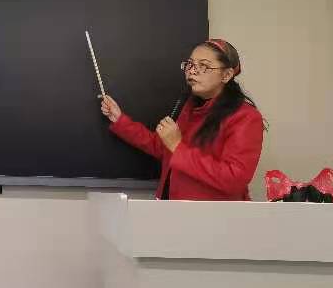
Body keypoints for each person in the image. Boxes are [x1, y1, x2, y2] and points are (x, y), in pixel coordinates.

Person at [100, 39, 264, 201]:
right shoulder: (189, 106)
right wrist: (120, 120)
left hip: (211, 215)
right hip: (172, 208)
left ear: (226, 75)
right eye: (190, 64)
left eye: (203, 66)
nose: (192, 71)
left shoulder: (245, 117)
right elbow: (163, 147)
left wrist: (177, 146)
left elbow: (234, 179)